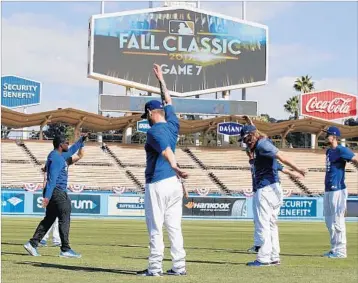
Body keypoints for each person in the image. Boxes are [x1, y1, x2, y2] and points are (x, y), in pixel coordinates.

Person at [137, 64, 188, 277]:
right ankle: (179, 266)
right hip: (174, 186)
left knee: (156, 228)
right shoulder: (173, 125)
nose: (146, 118)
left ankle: (155, 268)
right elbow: (169, 101)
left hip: (158, 183)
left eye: (146, 114)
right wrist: (162, 80)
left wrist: (175, 166)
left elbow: (166, 150)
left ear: (150, 113)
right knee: (174, 227)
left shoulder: (153, 132)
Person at [241, 125, 306, 266]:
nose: (246, 142)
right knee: (271, 224)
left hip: (266, 188)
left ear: (252, 134)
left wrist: (298, 169)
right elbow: (277, 164)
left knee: (263, 224)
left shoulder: (262, 144)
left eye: (247, 139)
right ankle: (274, 256)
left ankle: (263, 258)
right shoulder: (261, 147)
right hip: (272, 188)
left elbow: (281, 156)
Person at [24, 134, 87, 258]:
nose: (68, 145)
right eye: (66, 143)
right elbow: (51, 180)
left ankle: (33, 243)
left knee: (49, 219)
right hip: (58, 192)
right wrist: (46, 198)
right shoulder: (56, 159)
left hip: (55, 192)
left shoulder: (58, 155)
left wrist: (82, 141)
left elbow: (74, 150)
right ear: (60, 145)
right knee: (65, 215)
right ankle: (65, 249)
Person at [39, 146, 85, 247]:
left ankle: (48, 239)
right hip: (54, 191)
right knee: (55, 216)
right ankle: (51, 239)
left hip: (57, 190)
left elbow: (80, 155)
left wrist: (81, 144)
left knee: (53, 216)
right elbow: (47, 175)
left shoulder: (65, 160)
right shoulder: (55, 160)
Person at [322, 126, 358, 259]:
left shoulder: (341, 150)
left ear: (334, 136)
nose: (326, 137)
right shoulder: (328, 151)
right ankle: (334, 248)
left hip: (338, 189)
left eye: (328, 135)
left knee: (338, 220)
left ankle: (341, 251)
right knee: (329, 221)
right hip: (328, 189)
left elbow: (355, 159)